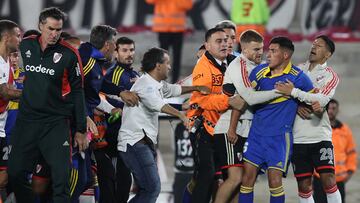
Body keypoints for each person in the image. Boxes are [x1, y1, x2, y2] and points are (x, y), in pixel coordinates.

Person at [7, 7, 88, 203]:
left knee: (62, 181)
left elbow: (78, 92)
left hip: (55, 123)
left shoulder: (69, 54)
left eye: (59, 30)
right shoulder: (26, 46)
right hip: (27, 122)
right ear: (40, 26)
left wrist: (80, 129)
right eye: (51, 29)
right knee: (15, 174)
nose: (55, 34)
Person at [118, 47, 210, 203]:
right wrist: (180, 114)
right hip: (134, 142)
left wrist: (195, 88)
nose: (169, 66)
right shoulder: (145, 84)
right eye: (167, 63)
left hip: (142, 143)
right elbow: (156, 104)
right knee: (152, 189)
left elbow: (173, 89)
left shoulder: (156, 83)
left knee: (147, 189)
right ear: (157, 65)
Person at [238, 37, 315, 203]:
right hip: (256, 135)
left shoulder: (298, 77)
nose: (268, 55)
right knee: (247, 180)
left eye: (273, 51)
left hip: (280, 138)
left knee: (275, 182)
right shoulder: (258, 72)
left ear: (285, 55)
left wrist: (302, 104)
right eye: (268, 50)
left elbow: (316, 99)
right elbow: (247, 96)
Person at [213, 30, 281, 203]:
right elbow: (247, 98)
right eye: (255, 49)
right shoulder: (240, 66)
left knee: (243, 180)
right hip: (230, 128)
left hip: (247, 130)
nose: (260, 53)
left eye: (261, 49)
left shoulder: (257, 68)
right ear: (243, 49)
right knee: (235, 177)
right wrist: (279, 92)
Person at [276, 35, 341, 203]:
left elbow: (321, 99)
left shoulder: (330, 76)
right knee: (304, 186)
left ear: (328, 54)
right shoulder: (297, 70)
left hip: (319, 136)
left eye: (319, 46)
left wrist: (294, 93)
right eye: (313, 44)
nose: (313, 47)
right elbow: (281, 93)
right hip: (297, 138)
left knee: (329, 180)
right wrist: (296, 105)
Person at [184, 27, 246, 203]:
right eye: (219, 41)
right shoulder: (203, 67)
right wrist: (229, 102)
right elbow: (203, 100)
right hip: (205, 129)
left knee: (232, 178)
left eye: (227, 40)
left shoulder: (235, 62)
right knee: (206, 175)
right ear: (207, 46)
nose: (225, 43)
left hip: (227, 130)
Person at [100, 36, 139, 203]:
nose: (129, 54)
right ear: (116, 53)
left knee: (125, 180)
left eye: (131, 50)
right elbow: (110, 102)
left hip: (129, 134)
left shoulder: (133, 73)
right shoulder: (114, 74)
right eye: (124, 50)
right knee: (118, 182)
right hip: (116, 135)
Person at [313, 99, 357, 203]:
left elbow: (351, 152)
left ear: (338, 110)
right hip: (320, 179)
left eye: (334, 108)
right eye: (328, 108)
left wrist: (350, 171)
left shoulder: (345, 130)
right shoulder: (317, 128)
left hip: (339, 180)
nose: (331, 111)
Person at [145, 0, 193, 83]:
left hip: (177, 29)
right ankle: (161, 80)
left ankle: (175, 81)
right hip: (163, 28)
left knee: (176, 56)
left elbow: (188, 5)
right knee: (161, 57)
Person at [0, 19, 22, 200]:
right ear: (7, 38)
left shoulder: (7, 62)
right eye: (18, 35)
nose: (20, 39)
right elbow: (6, 93)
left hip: (2, 128)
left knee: (3, 179)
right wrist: (36, 93)